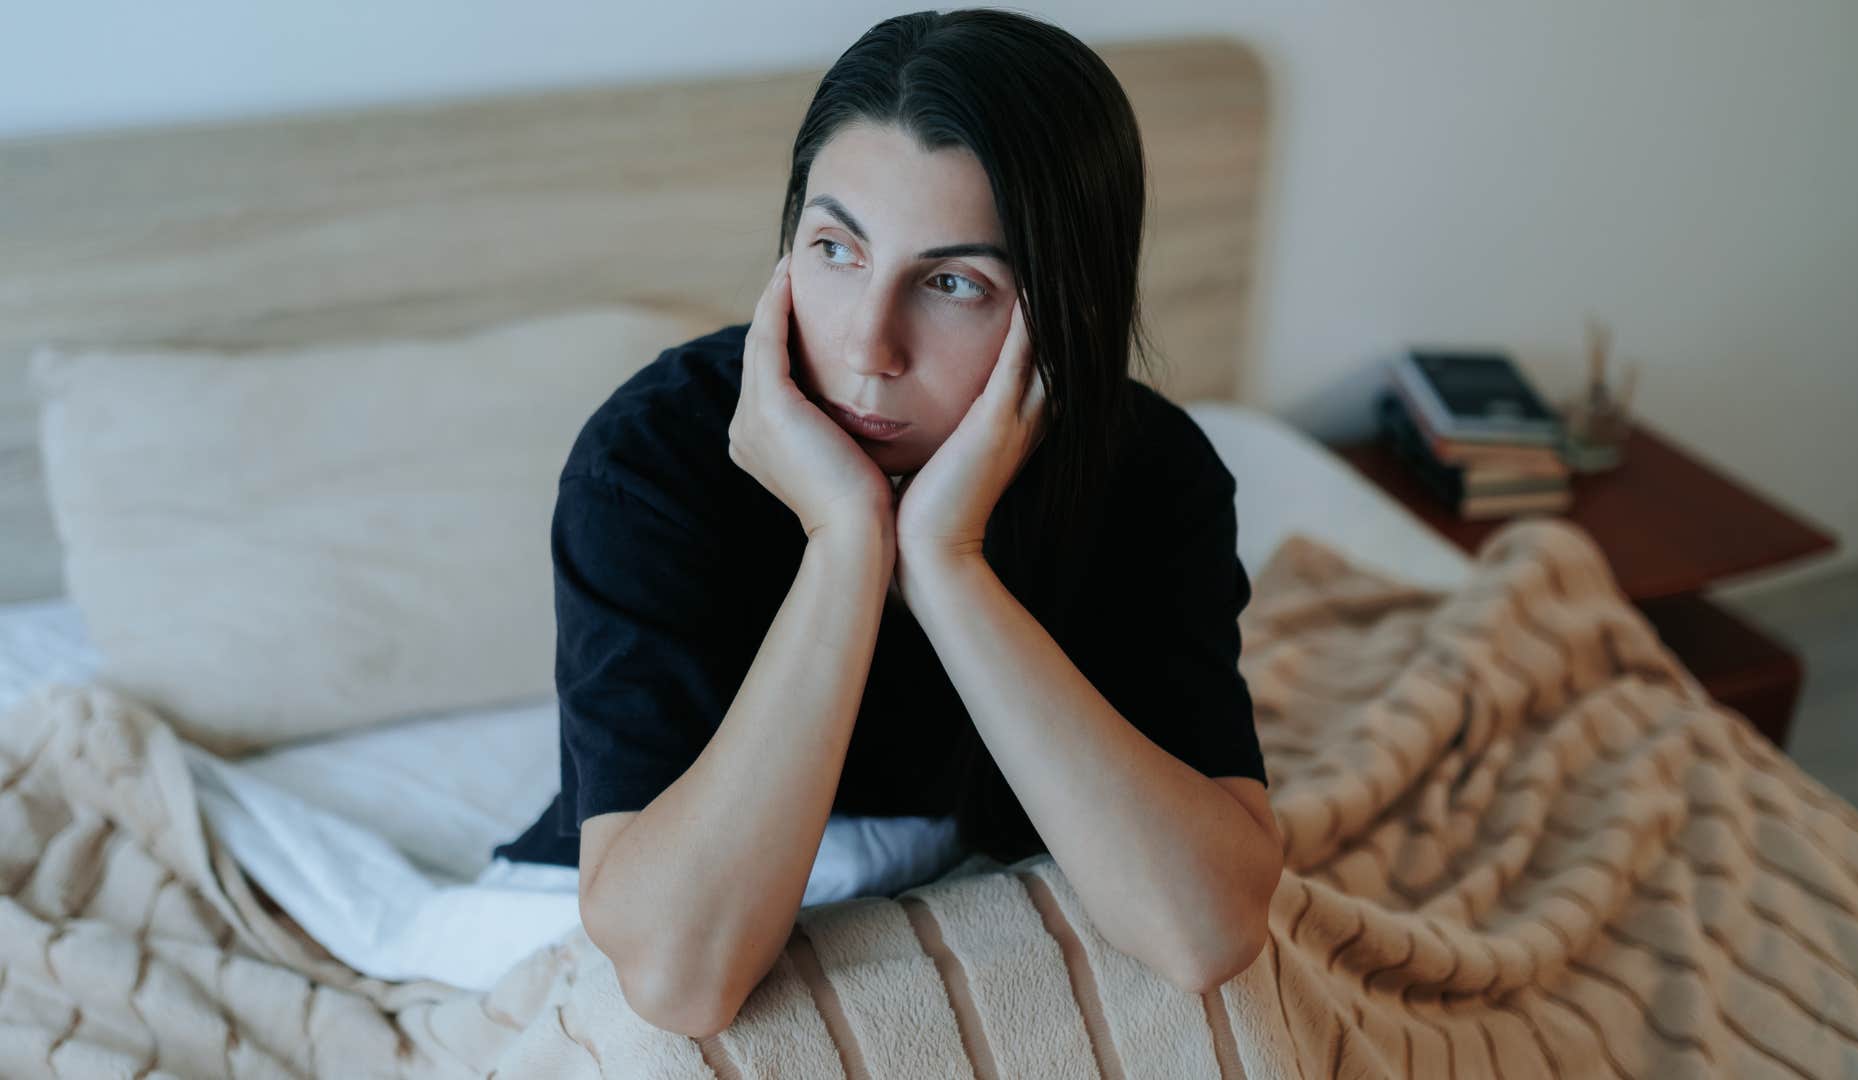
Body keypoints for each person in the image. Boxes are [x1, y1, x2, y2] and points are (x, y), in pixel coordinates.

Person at [490, 8, 1284, 1038]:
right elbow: (683, 983)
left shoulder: (1150, 473)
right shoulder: (651, 462)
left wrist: (947, 564)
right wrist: (846, 541)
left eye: (953, 283)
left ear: (1068, 306)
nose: (869, 346)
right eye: (835, 249)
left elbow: (1202, 931)